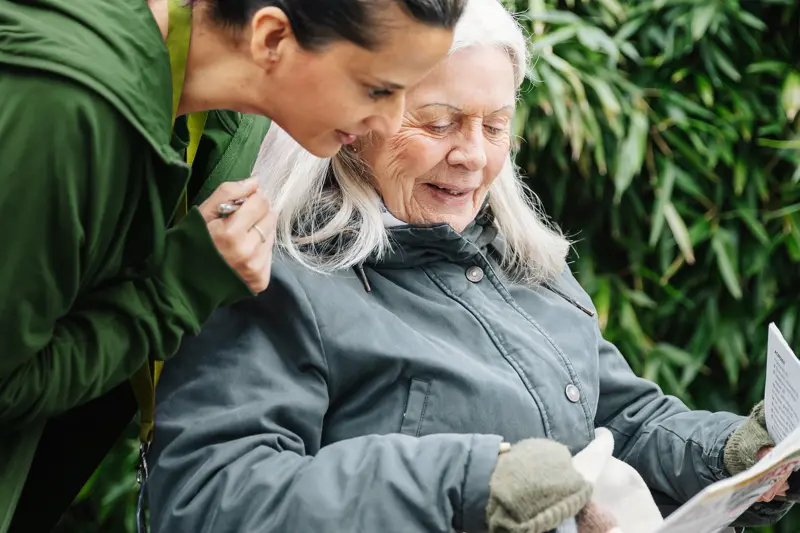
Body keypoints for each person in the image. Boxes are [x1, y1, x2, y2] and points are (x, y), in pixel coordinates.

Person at [145, 0, 797, 531]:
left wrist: (735, 453)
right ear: (360, 114)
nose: (473, 155)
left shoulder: (514, 255)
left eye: (495, 125)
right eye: (438, 123)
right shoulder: (278, 275)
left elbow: (618, 419)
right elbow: (207, 496)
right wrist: (468, 480)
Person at [0, 0, 466, 530]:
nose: (390, 120)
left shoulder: (193, 92)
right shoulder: (68, 108)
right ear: (270, 38)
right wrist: (179, 285)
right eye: (377, 89)